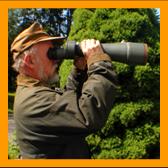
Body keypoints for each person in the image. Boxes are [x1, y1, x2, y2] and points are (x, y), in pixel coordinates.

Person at [10, 22, 118, 159]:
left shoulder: (32, 89)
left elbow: (67, 104)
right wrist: (98, 62)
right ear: (29, 61)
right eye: (51, 54)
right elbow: (88, 115)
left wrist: (79, 71)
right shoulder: (33, 102)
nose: (57, 59)